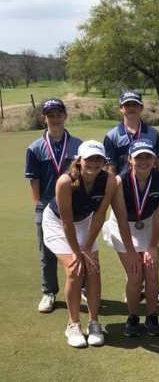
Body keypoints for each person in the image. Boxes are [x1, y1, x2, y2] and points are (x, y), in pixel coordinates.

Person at [42, 140, 115, 347]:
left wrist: (87, 248)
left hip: (85, 223)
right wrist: (77, 252)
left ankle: (94, 322)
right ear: (79, 160)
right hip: (57, 223)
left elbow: (100, 214)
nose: (94, 163)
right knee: (74, 270)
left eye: (98, 159)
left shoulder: (109, 179)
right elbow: (66, 221)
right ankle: (73, 324)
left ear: (103, 161)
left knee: (93, 269)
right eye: (89, 158)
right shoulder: (65, 182)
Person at [103, 138, 159, 337]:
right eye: (139, 157)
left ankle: (151, 316)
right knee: (135, 273)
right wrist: (132, 252)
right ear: (129, 159)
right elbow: (122, 219)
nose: (144, 161)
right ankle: (132, 316)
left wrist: (152, 246)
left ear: (154, 159)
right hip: (122, 227)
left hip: (149, 225)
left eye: (148, 157)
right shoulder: (118, 182)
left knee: (151, 271)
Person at [103, 89, 159, 302]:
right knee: (128, 244)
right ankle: (134, 281)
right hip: (124, 193)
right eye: (127, 105)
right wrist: (112, 194)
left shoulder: (153, 133)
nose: (131, 108)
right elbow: (110, 168)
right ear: (121, 108)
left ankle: (152, 283)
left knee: (151, 241)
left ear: (141, 107)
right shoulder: (112, 135)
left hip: (148, 192)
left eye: (134, 104)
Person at [25, 98, 83, 313]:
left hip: (75, 207)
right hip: (46, 208)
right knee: (47, 253)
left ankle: (83, 286)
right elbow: (34, 181)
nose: (55, 119)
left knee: (79, 248)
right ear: (44, 119)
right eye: (51, 115)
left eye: (59, 114)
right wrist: (38, 209)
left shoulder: (78, 146)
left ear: (65, 116)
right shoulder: (35, 148)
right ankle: (49, 292)